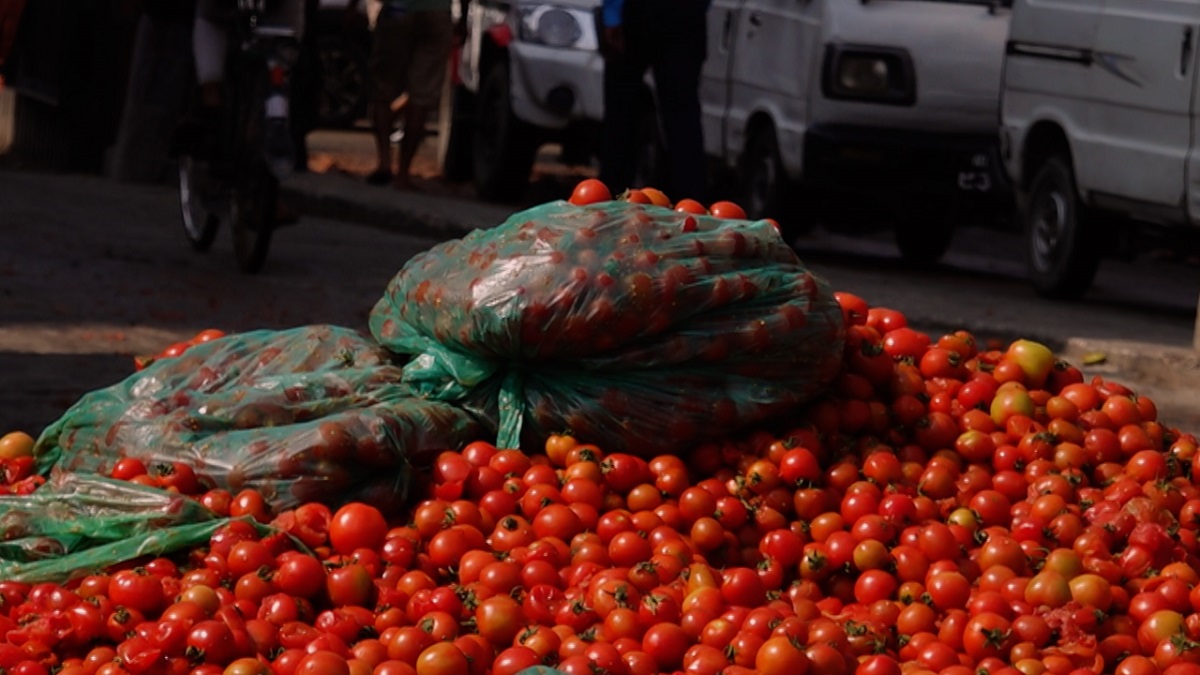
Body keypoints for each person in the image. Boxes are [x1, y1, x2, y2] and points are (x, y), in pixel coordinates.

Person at [598, 0, 708, 203]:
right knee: (683, 118)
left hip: (639, 14)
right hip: (684, 15)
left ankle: (609, 200)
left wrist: (612, 14)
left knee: (621, 114)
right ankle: (691, 205)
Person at [347, 0, 464, 190]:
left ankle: (384, 162)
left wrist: (352, 8)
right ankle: (403, 174)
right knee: (421, 95)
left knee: (383, 87)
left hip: (397, 9)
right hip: (437, 12)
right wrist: (463, 19)